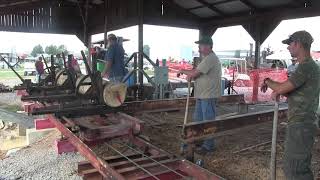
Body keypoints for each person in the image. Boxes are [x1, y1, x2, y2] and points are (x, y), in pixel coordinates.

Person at [261, 30, 320, 180]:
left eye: (290, 44)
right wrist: (281, 91)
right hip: (303, 123)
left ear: (298, 44)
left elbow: (282, 87)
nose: (288, 48)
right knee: (296, 167)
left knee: (296, 170)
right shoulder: (308, 67)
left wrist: (268, 82)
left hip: (301, 124)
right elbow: (294, 91)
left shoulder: (306, 67)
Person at [178, 36, 222, 155]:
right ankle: (198, 140)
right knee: (198, 120)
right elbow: (197, 73)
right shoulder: (206, 58)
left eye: (201, 45)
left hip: (208, 95)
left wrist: (183, 71)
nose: (198, 47)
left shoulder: (210, 58)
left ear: (208, 46)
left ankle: (209, 146)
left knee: (208, 121)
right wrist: (191, 75)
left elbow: (195, 73)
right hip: (202, 95)